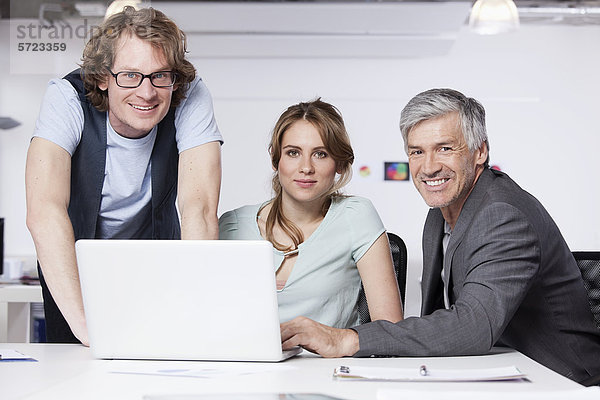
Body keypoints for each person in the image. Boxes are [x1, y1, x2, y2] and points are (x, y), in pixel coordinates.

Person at [280, 89, 600, 383]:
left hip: (560, 379)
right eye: (417, 152)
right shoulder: (441, 212)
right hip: (492, 372)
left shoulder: (503, 215)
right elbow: (439, 320)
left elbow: (473, 326)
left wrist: (347, 339)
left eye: (444, 148)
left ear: (480, 152)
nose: (429, 167)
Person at [25, 7, 223, 345]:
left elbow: (199, 208)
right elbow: (44, 211)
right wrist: (86, 327)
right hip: (73, 261)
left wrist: (196, 305)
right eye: (130, 76)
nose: (147, 93)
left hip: (154, 257)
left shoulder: (189, 94)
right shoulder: (66, 97)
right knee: (74, 366)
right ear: (103, 76)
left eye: (161, 75)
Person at [219, 99, 403, 328]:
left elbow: (390, 330)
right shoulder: (233, 225)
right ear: (276, 160)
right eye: (293, 153)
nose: (306, 167)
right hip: (249, 362)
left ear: (339, 164)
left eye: (321, 154)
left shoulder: (356, 217)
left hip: (328, 362)